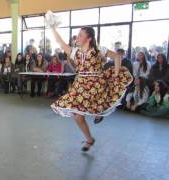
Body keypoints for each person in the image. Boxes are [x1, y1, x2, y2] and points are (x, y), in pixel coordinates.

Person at [50, 23, 133, 151]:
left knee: (97, 103)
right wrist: (52, 28)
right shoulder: (74, 52)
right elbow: (60, 42)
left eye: (80, 35)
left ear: (88, 38)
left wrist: (116, 73)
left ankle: (98, 112)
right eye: (77, 35)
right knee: (77, 115)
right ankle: (89, 139)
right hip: (80, 85)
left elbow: (117, 57)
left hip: (96, 84)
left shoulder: (99, 50)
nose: (77, 37)